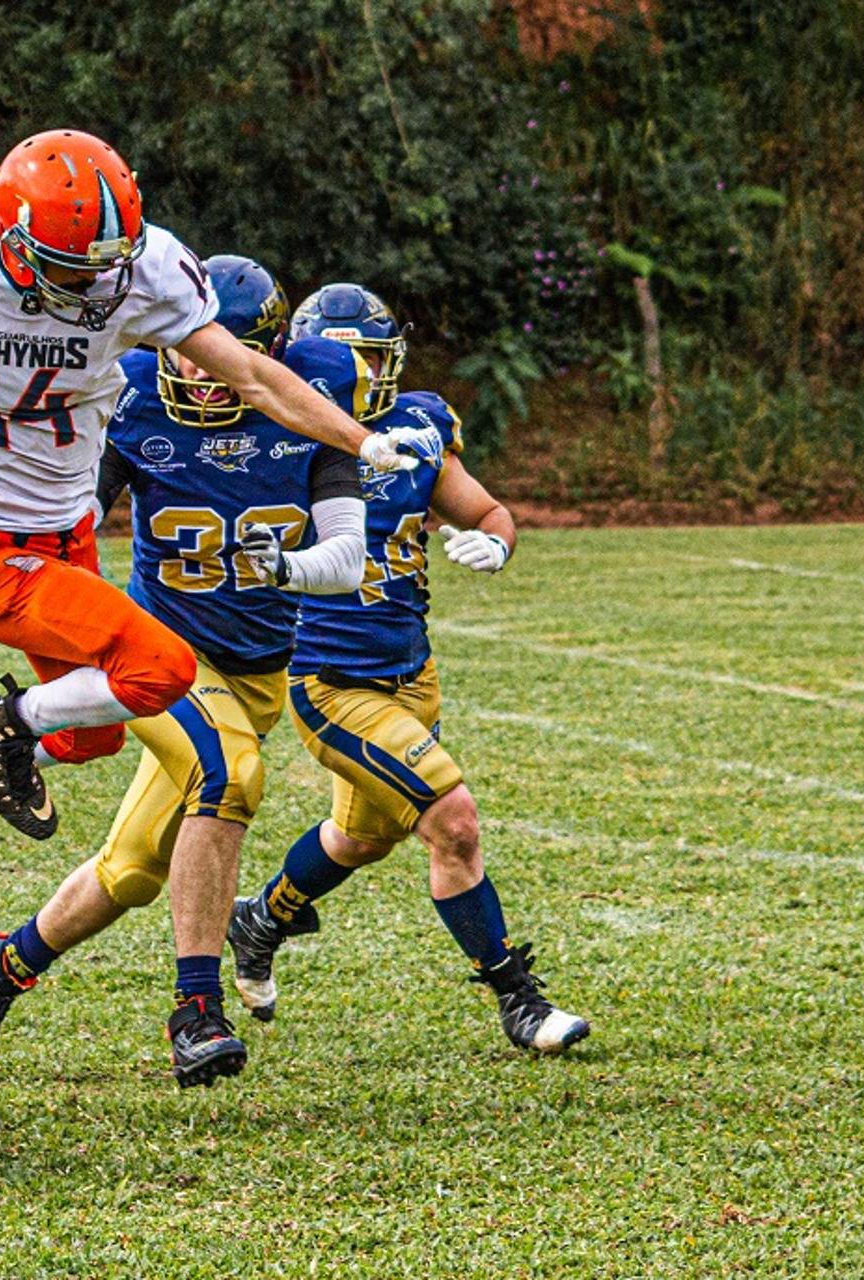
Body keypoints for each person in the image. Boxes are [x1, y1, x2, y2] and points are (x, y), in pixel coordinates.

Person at [0, 129, 435, 843]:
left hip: (67, 533)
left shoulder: (145, 268)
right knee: (161, 669)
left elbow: (253, 376)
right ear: (9, 238)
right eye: (69, 267)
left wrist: (364, 439)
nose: (91, 283)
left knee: (88, 734)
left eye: (106, 265)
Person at [0, 257, 371, 1087]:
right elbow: (66, 527)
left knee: (133, 871)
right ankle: (195, 1010)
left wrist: (285, 568)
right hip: (159, 657)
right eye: (191, 357)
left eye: (226, 360)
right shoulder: (133, 398)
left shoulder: (315, 396)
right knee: (232, 773)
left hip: (257, 671)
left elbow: (347, 556)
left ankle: (3, 964)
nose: (206, 379)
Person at [225, 284, 593, 1054]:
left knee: (360, 839)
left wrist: (496, 543)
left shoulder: (420, 421)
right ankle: (518, 1001)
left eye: (383, 357)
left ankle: (262, 918)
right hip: (331, 680)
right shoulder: (287, 436)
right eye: (362, 358)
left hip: (411, 673)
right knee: (452, 822)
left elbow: (488, 511)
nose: (378, 373)